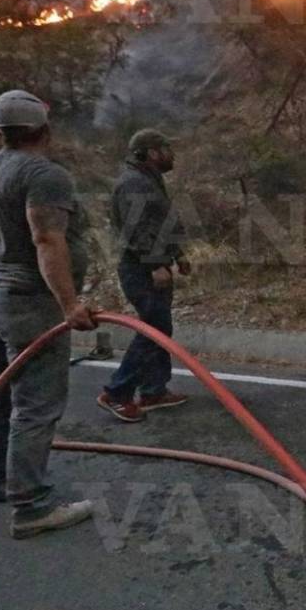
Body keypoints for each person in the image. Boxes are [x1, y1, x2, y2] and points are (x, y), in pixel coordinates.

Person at [0, 90, 97, 539]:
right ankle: (31, 507)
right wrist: (69, 305)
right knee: (36, 405)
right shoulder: (44, 174)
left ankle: (4, 483)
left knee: (1, 396)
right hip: (29, 303)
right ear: (44, 128)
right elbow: (46, 240)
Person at [97, 129, 190, 422]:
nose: (171, 155)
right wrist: (154, 265)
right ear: (151, 152)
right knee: (153, 330)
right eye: (166, 149)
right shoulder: (134, 183)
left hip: (153, 264)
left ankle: (154, 391)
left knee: (160, 329)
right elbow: (135, 230)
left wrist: (177, 255)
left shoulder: (149, 179)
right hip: (140, 268)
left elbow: (158, 224)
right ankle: (116, 392)